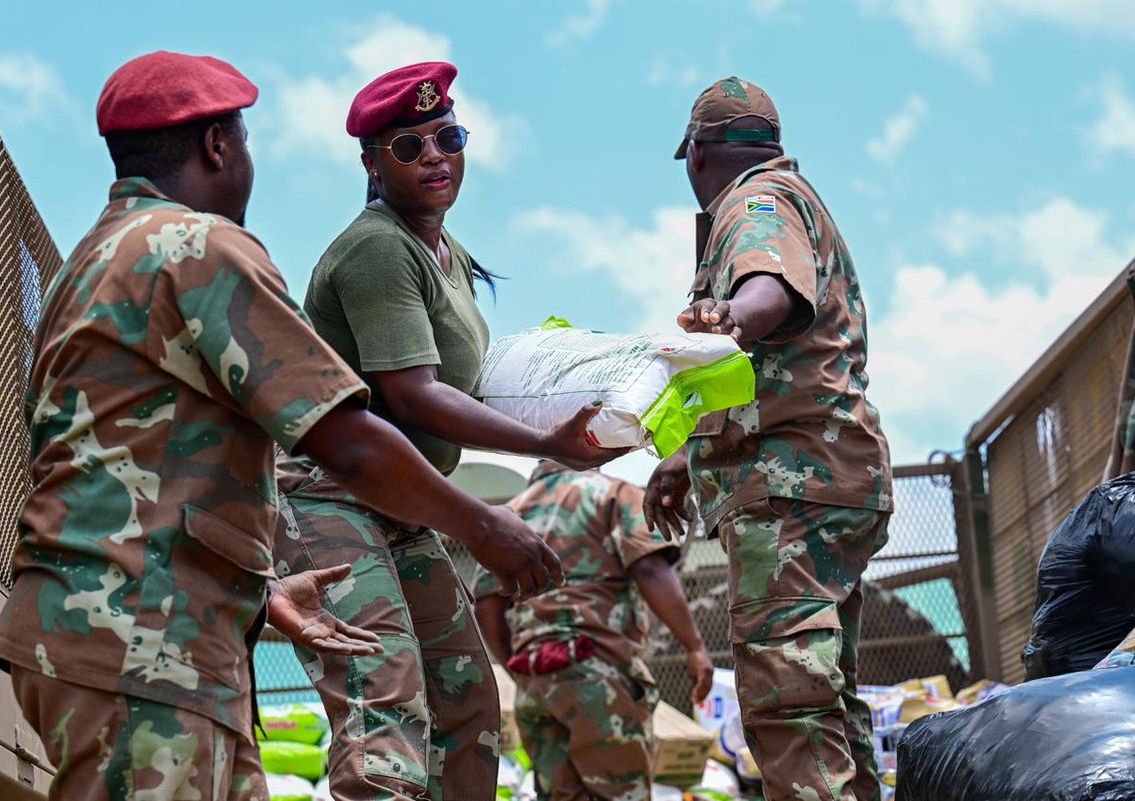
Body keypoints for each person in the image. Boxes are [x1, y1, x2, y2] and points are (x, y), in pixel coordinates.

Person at [0, 51, 562, 801]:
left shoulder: (89, 265)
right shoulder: (198, 247)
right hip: (145, 637)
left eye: (448, 138)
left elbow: (120, 457)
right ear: (219, 146)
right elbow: (345, 439)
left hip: (135, 625)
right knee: (388, 723)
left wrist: (261, 587)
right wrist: (485, 526)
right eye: (246, 140)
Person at [272, 61, 625, 801]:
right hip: (332, 496)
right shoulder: (377, 249)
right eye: (409, 146)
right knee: (385, 700)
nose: (435, 155)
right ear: (372, 162)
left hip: (400, 498)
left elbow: (467, 379)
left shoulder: (447, 252)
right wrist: (548, 444)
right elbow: (417, 394)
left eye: (447, 136)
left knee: (469, 704)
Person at [644, 77, 894, 801]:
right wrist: (687, 454)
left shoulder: (757, 202)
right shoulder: (790, 195)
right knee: (824, 699)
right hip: (827, 474)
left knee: (788, 704)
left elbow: (770, 290)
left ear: (696, 154)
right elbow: (769, 373)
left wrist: (730, 315)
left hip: (794, 487)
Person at [473, 461, 714, 801]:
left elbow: (486, 606)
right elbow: (649, 569)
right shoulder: (611, 494)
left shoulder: (510, 517)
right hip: (597, 675)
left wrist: (521, 672)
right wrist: (694, 647)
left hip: (534, 677)